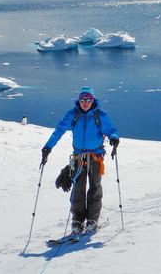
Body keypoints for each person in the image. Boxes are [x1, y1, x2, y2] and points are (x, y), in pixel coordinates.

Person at [41, 87, 120, 234]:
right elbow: (59, 131)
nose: (85, 103)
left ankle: (92, 219)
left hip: (96, 157)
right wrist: (48, 147)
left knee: (95, 187)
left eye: (88, 100)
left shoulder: (99, 115)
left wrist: (114, 138)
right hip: (78, 158)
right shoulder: (73, 115)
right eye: (82, 100)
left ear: (92, 100)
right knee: (78, 189)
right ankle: (77, 220)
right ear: (79, 100)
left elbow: (110, 129)